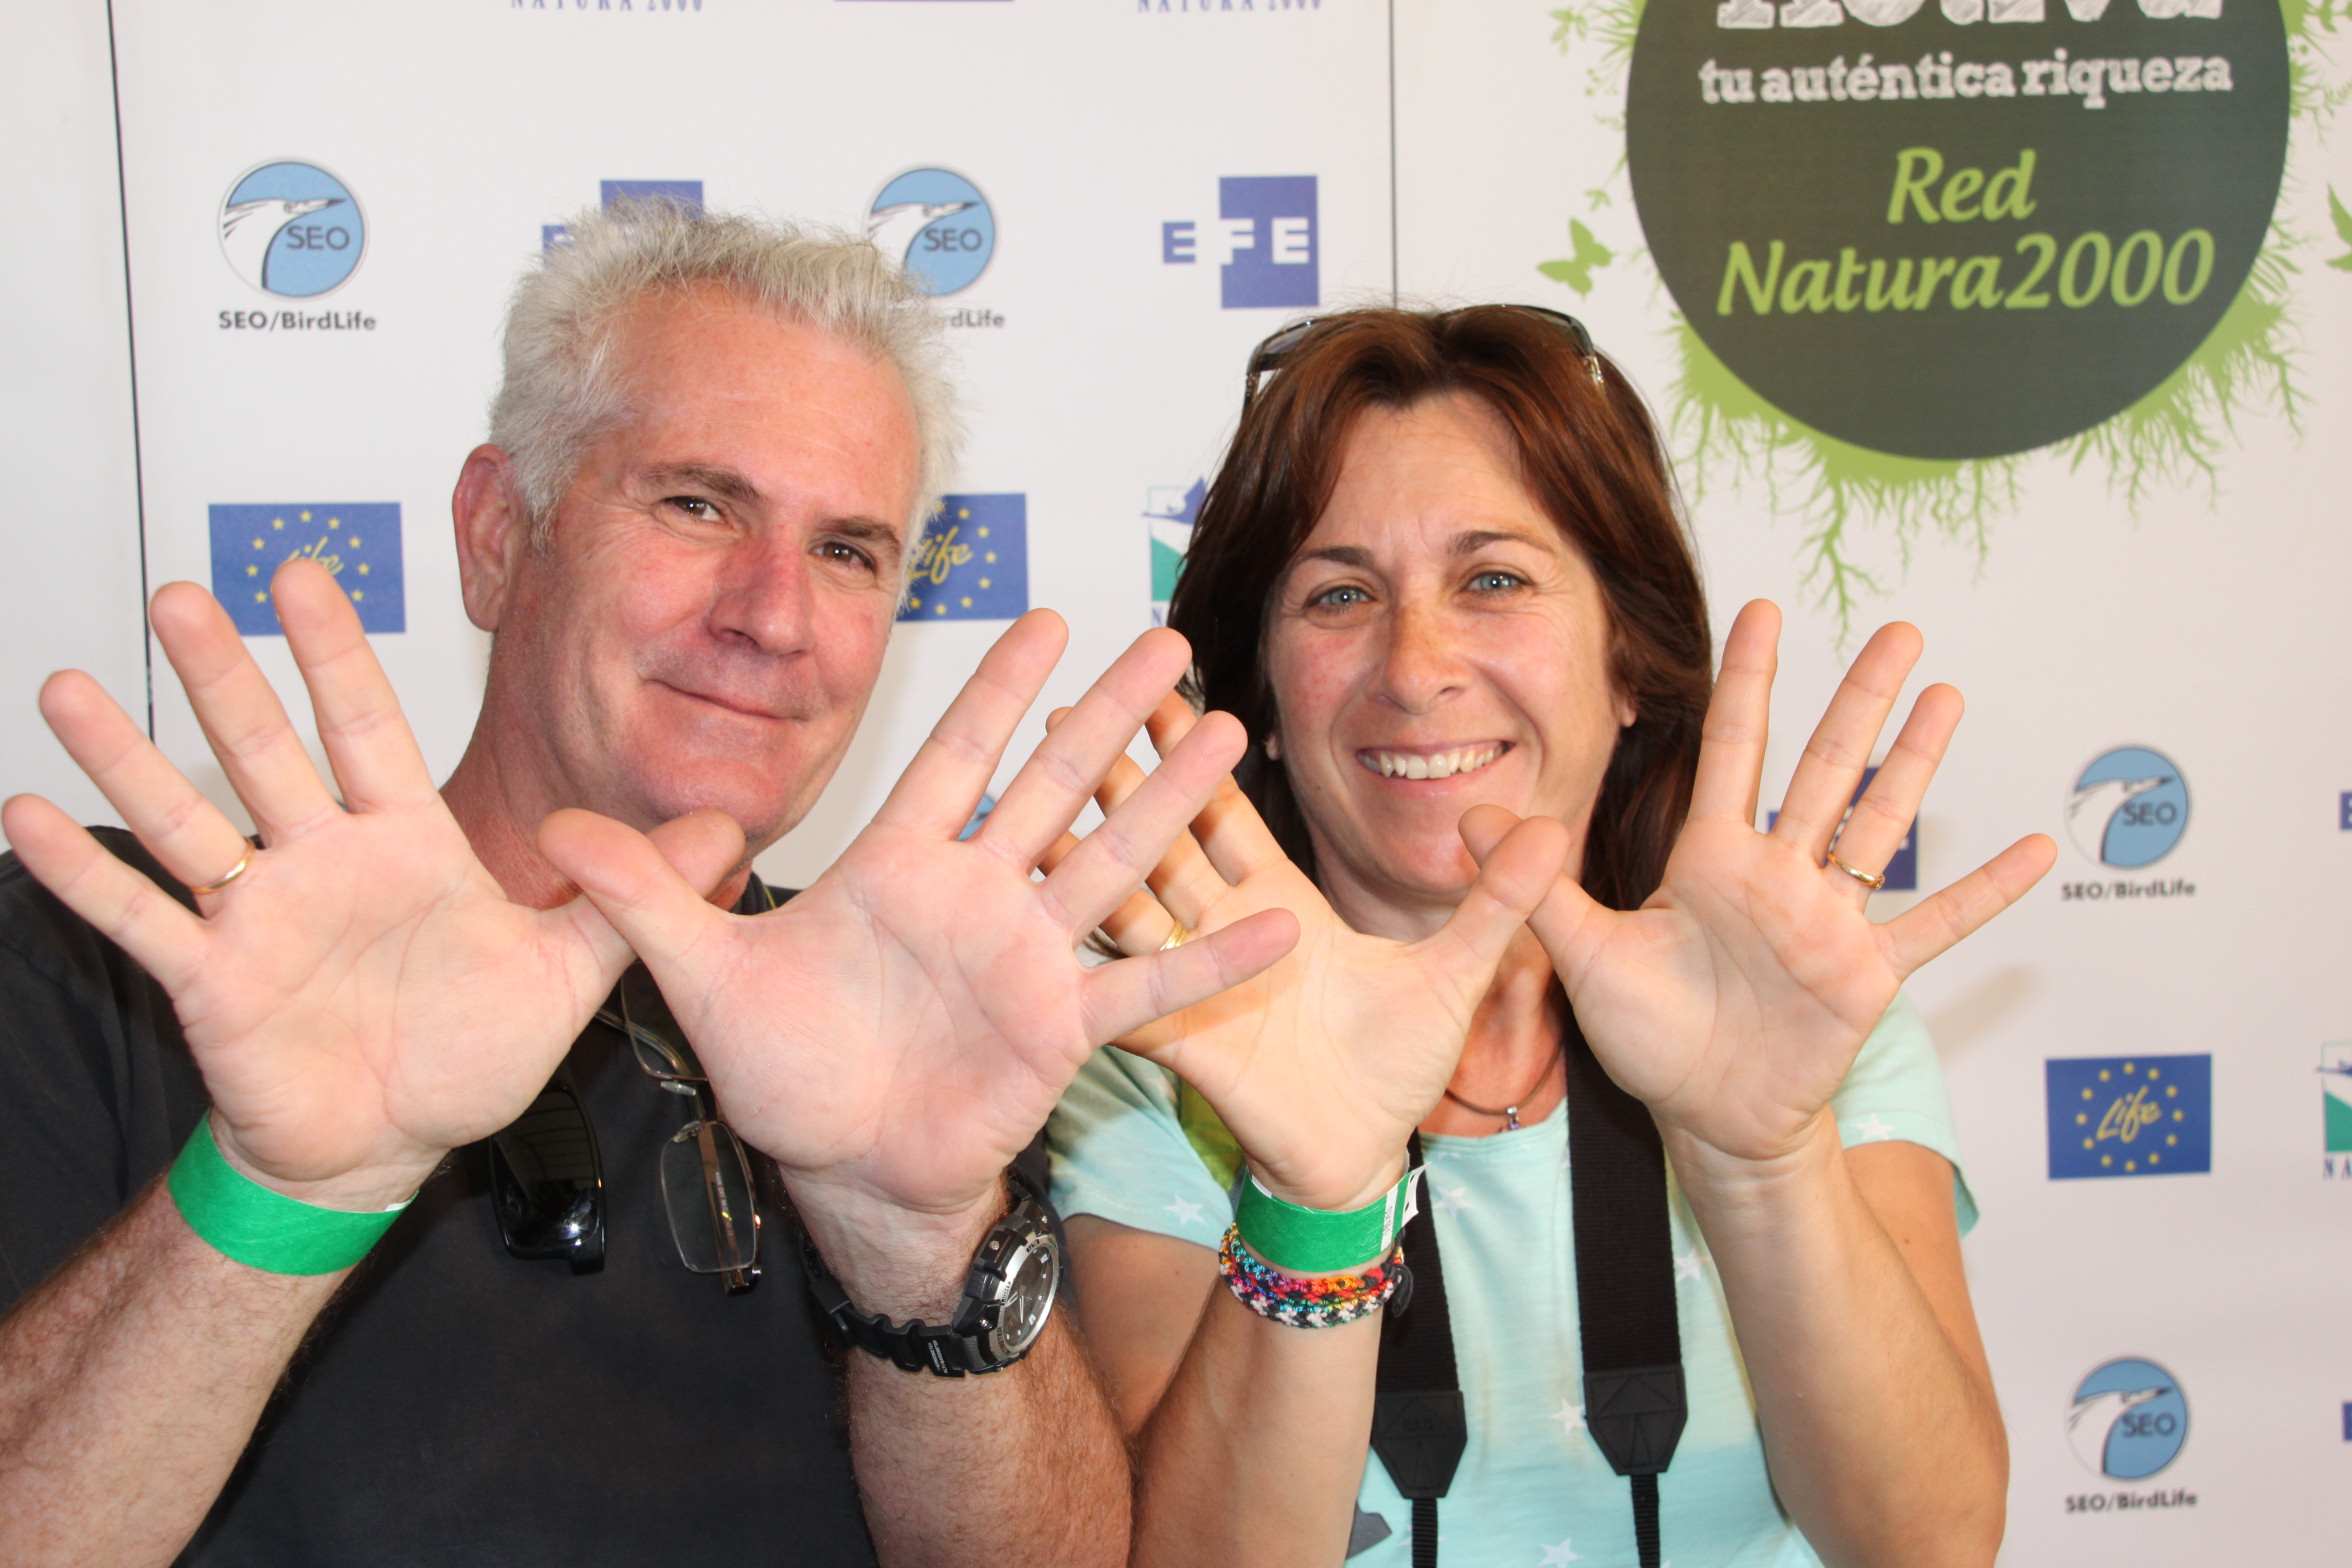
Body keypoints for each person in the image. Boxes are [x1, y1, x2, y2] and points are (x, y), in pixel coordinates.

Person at [0, 202, 1297, 1568]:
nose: (773, 614)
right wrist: (276, 1193)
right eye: (696, 504)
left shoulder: (902, 1015)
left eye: (847, 551)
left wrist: (915, 1246)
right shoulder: (119, 963)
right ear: (499, 536)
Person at [1045, 306, 2056, 1567]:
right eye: (1340, 593)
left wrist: (1761, 1158)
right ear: (1260, 702)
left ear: (1628, 660)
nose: (1415, 668)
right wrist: (1318, 1199)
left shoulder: (1791, 1001)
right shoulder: (1160, 1041)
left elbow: (1928, 1543)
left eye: (1494, 580)